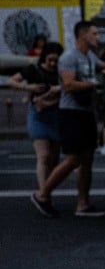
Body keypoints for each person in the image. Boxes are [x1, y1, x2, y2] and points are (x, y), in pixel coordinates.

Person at [29, 20, 105, 219]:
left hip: (86, 112)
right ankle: (42, 195)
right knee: (74, 159)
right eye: (94, 34)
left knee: (87, 159)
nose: (98, 37)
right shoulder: (69, 58)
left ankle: (83, 204)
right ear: (82, 35)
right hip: (71, 113)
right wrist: (93, 84)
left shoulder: (89, 56)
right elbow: (69, 85)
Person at [7, 42, 63, 190]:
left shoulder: (62, 71)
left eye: (56, 60)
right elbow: (11, 81)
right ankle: (43, 193)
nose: (52, 63)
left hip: (57, 115)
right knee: (43, 156)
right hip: (38, 116)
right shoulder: (33, 69)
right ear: (44, 57)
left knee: (54, 159)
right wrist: (28, 87)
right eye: (49, 59)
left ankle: (47, 188)